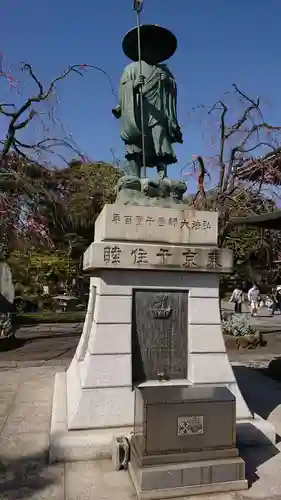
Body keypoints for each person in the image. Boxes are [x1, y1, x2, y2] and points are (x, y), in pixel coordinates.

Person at [112, 42, 183, 180]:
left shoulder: (163, 70)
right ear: (141, 50)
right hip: (138, 110)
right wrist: (133, 85)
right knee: (135, 142)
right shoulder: (131, 68)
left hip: (158, 112)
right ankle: (135, 175)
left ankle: (162, 174)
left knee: (160, 138)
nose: (152, 52)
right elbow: (122, 89)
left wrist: (167, 81)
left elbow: (172, 88)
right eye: (149, 48)